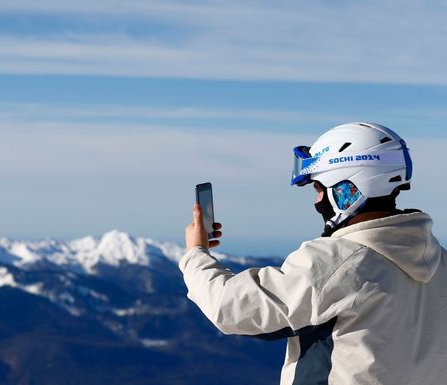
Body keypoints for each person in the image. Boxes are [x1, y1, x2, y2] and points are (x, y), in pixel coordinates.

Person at [179, 122, 447, 385]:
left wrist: (196, 253)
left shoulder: (336, 263)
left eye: (318, 188)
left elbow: (230, 307)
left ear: (347, 189)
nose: (316, 200)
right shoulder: (438, 260)